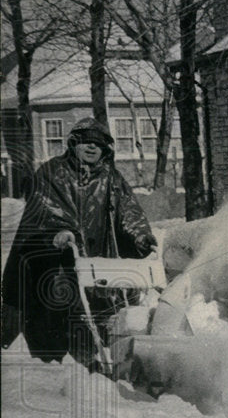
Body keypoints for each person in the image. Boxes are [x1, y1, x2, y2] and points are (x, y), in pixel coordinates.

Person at [1, 117, 156, 367]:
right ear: (74, 144)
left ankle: (102, 358)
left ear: (105, 149)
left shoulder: (112, 178)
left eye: (98, 144)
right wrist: (59, 231)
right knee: (56, 302)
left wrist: (141, 236)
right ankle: (55, 362)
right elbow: (43, 208)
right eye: (85, 142)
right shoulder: (52, 172)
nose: (92, 147)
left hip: (97, 258)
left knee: (107, 303)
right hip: (56, 257)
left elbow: (129, 211)